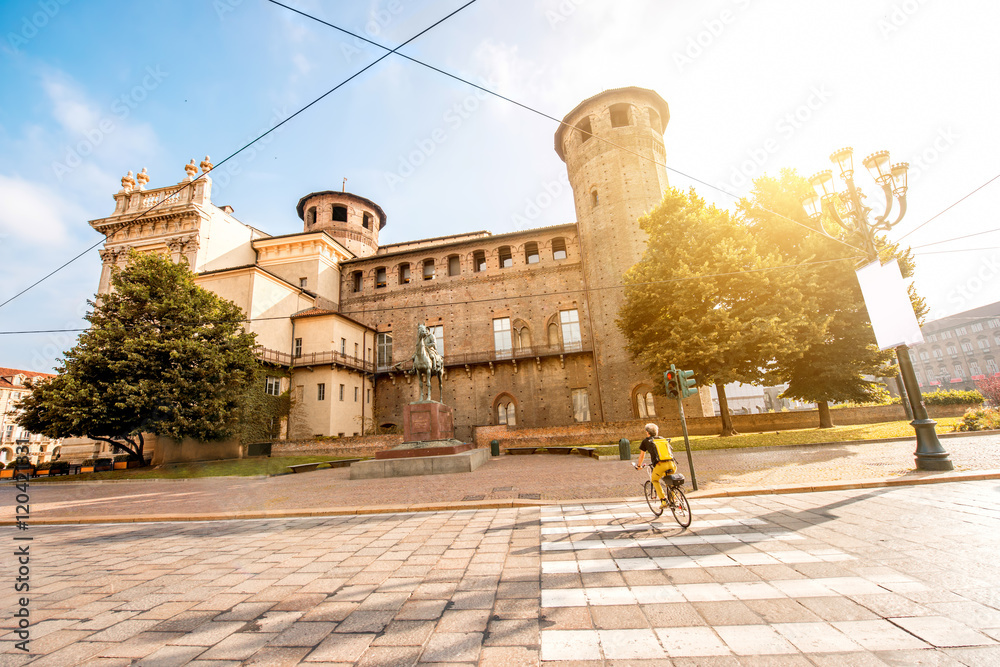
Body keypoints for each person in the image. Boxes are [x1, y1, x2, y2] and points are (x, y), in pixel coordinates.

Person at [633, 423, 677, 507]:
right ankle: (673, 499)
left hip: (661, 465)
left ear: (647, 432)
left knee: (654, 480)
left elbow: (642, 455)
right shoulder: (662, 439)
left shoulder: (646, 441)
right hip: (672, 464)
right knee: (668, 480)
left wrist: (639, 466)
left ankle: (664, 500)